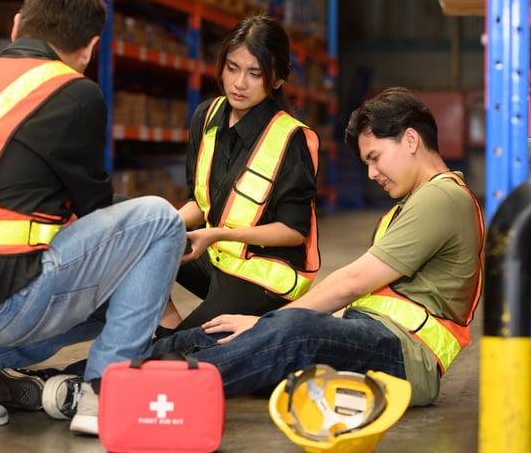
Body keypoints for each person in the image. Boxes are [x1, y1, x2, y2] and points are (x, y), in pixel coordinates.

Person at [0, 0, 186, 436]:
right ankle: (104, 392)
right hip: (7, 304)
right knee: (159, 221)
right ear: (90, 48)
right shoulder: (73, 90)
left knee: (133, 296)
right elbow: (93, 204)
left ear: (15, 26)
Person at [151, 87, 484, 407]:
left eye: (375, 157)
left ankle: (166, 388)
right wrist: (265, 324)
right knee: (236, 331)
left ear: (411, 140)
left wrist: (269, 323)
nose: (371, 173)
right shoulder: (419, 201)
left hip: (406, 356)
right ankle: (135, 367)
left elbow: (354, 282)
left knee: (292, 330)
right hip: (377, 336)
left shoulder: (442, 197)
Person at [157, 15, 321, 336]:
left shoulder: (291, 138)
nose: (238, 83)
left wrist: (216, 235)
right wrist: (163, 228)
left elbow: (293, 231)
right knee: (137, 238)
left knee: (186, 351)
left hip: (265, 276)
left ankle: (170, 348)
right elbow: (199, 201)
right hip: (217, 258)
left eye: (254, 74)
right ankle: (169, 337)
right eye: (232, 68)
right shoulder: (207, 116)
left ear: (276, 80)